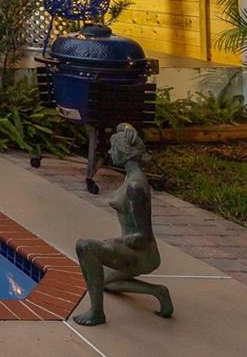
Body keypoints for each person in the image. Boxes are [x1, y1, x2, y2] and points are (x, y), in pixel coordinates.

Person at [72, 123, 174, 326]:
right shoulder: (131, 175)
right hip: (134, 248)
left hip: (140, 253)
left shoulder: (135, 187)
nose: (110, 152)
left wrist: (116, 241)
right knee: (105, 281)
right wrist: (127, 128)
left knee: (85, 247)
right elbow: (120, 125)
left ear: (124, 152)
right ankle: (158, 292)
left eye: (113, 148)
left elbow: (143, 236)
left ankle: (96, 312)